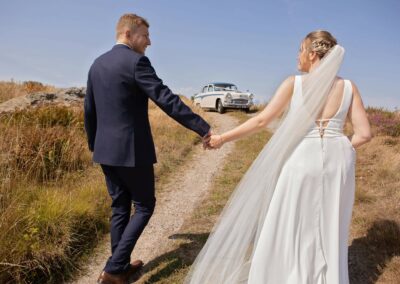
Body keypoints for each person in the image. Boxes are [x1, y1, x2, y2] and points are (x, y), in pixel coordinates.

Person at [187, 31, 372, 283]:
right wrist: (339, 148)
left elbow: (262, 120)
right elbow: (364, 134)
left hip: (302, 159)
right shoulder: (349, 87)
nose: (297, 56)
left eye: (300, 49)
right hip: (338, 162)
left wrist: (221, 139)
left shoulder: (294, 84)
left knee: (291, 221)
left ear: (312, 54)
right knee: (330, 223)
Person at [84, 13, 212, 284]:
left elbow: (89, 111)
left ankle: (119, 269)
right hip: (132, 151)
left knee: (120, 207)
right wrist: (203, 128)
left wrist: (95, 145)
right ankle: (113, 269)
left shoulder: (97, 64)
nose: (149, 42)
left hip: (105, 151)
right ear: (128, 34)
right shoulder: (136, 62)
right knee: (144, 205)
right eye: (145, 35)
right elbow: (166, 99)